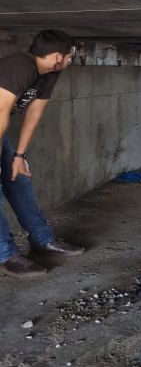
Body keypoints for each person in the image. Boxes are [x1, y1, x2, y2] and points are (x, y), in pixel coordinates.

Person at [0, 30, 85, 277]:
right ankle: (6, 254)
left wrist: (20, 156)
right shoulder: (21, 66)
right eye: (70, 56)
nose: (71, 61)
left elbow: (34, 113)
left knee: (20, 179)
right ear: (58, 55)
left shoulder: (50, 72)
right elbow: (2, 112)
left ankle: (42, 239)